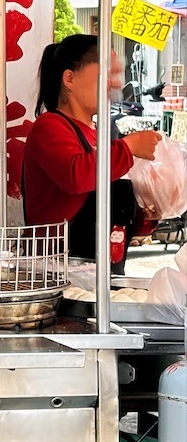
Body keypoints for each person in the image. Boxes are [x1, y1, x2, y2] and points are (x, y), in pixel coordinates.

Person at [22, 34, 161, 274]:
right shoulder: (50, 126)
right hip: (57, 272)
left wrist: (146, 213)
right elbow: (76, 175)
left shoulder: (98, 135)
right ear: (70, 78)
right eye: (107, 73)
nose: (115, 84)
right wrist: (128, 147)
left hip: (102, 272)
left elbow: (113, 218)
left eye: (116, 75)